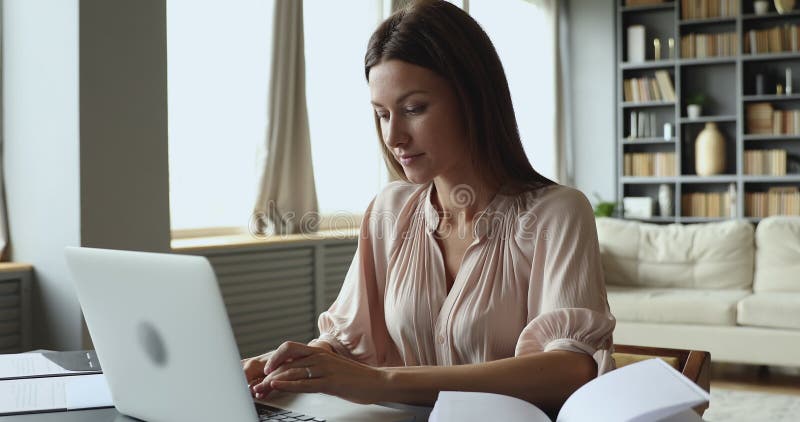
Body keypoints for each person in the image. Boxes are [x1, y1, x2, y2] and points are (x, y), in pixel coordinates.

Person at [243, 0, 615, 414]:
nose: (394, 136)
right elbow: (347, 340)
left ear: (472, 97)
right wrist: (294, 365)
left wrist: (381, 382)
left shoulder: (558, 214)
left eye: (413, 109)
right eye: (382, 115)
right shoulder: (390, 209)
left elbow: (571, 369)